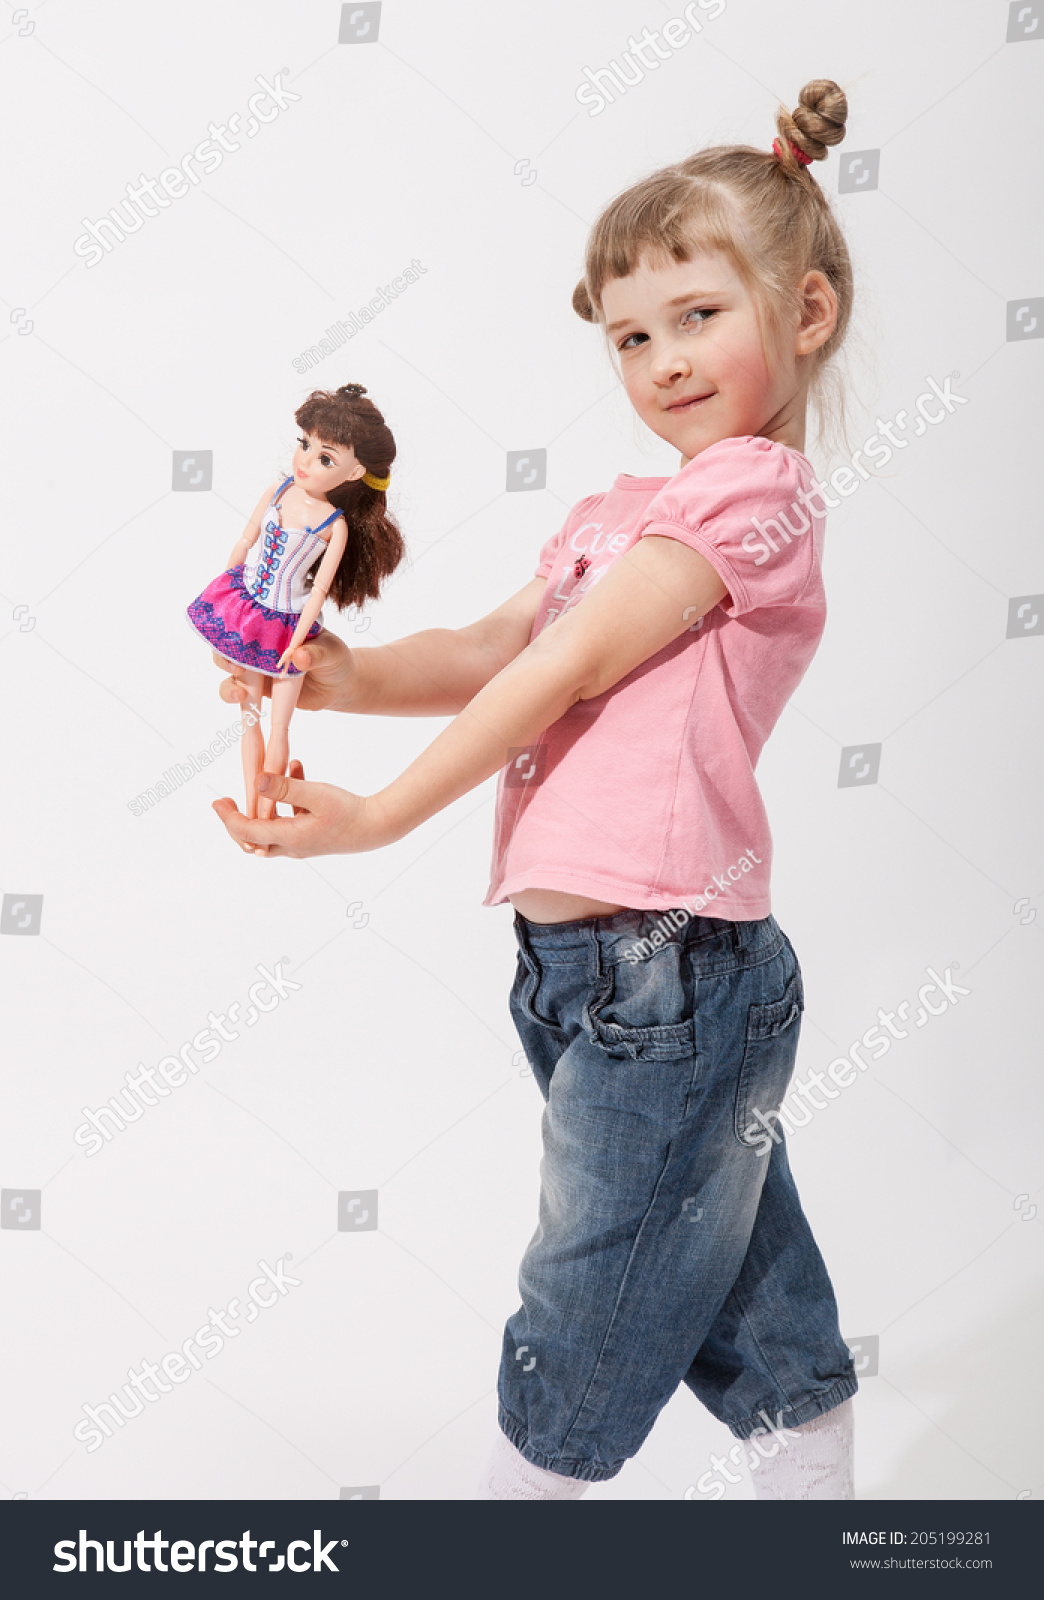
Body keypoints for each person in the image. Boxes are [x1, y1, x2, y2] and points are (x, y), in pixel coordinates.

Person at [211, 77, 859, 1500]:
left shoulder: (754, 501)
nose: (663, 359)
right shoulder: (623, 512)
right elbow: (494, 648)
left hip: (671, 971)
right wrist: (337, 675)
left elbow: (557, 676)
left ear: (804, 316)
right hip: (579, 971)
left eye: (701, 316)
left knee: (585, 1300)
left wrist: (380, 818)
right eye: (632, 334)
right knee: (741, 1287)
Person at [185, 383, 403, 823]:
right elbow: (245, 543)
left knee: (280, 724)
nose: (306, 460)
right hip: (246, 610)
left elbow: (318, 592)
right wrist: (224, 597)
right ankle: (254, 816)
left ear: (355, 474)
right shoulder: (277, 491)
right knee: (247, 719)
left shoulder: (334, 526)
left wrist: (297, 641)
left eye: (326, 458)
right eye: (305, 444)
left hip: (286, 626)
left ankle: (264, 817)